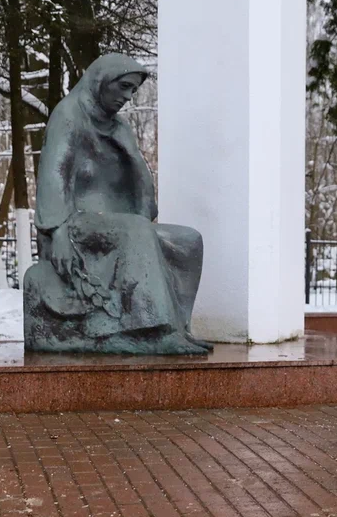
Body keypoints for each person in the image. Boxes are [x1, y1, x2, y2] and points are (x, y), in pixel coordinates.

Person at [24, 53, 211, 355]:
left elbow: (139, 185)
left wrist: (131, 160)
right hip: (74, 223)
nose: (128, 96)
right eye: (124, 86)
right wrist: (57, 232)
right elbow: (53, 176)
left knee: (187, 240)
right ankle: (154, 331)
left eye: (133, 90)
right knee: (136, 229)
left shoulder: (119, 127)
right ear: (101, 81)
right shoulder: (69, 115)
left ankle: (179, 328)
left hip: (117, 223)